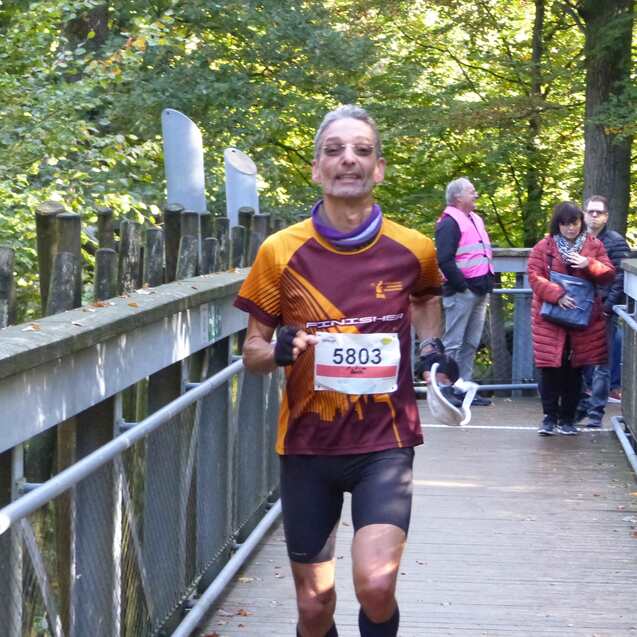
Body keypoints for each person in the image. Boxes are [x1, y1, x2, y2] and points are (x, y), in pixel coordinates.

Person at [234, 104, 455, 637]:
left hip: (384, 443)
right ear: (316, 169)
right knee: (314, 607)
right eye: (334, 151)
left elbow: (426, 299)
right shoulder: (280, 252)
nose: (348, 159)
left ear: (379, 169)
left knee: (376, 586)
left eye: (362, 150)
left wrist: (432, 349)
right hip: (308, 446)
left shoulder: (414, 248)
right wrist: (281, 348)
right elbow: (251, 353)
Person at [528, 202, 615, 436]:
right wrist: (557, 296)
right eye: (565, 223)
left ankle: (567, 419)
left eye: (574, 223)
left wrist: (590, 265)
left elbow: (608, 275)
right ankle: (549, 418)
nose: (570, 228)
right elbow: (535, 277)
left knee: (575, 369)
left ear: (580, 222)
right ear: (557, 224)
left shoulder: (594, 245)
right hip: (550, 318)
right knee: (550, 369)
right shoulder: (543, 247)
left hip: (582, 318)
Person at [435, 177, 494, 406]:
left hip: (480, 290)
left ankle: (464, 390)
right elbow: (445, 260)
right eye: (472, 191)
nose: (476, 194)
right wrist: (462, 286)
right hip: (462, 292)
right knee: (453, 344)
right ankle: (447, 390)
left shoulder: (475, 219)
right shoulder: (449, 222)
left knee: (470, 344)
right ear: (458, 197)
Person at [576, 195, 631, 426]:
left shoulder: (616, 242)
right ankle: (579, 406)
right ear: (584, 214)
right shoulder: (576, 239)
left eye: (598, 212)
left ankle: (596, 412)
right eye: (590, 211)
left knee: (601, 364)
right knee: (575, 359)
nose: (594, 215)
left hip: (602, 310)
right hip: (578, 308)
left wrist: (608, 308)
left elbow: (621, 278)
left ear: (606, 216)